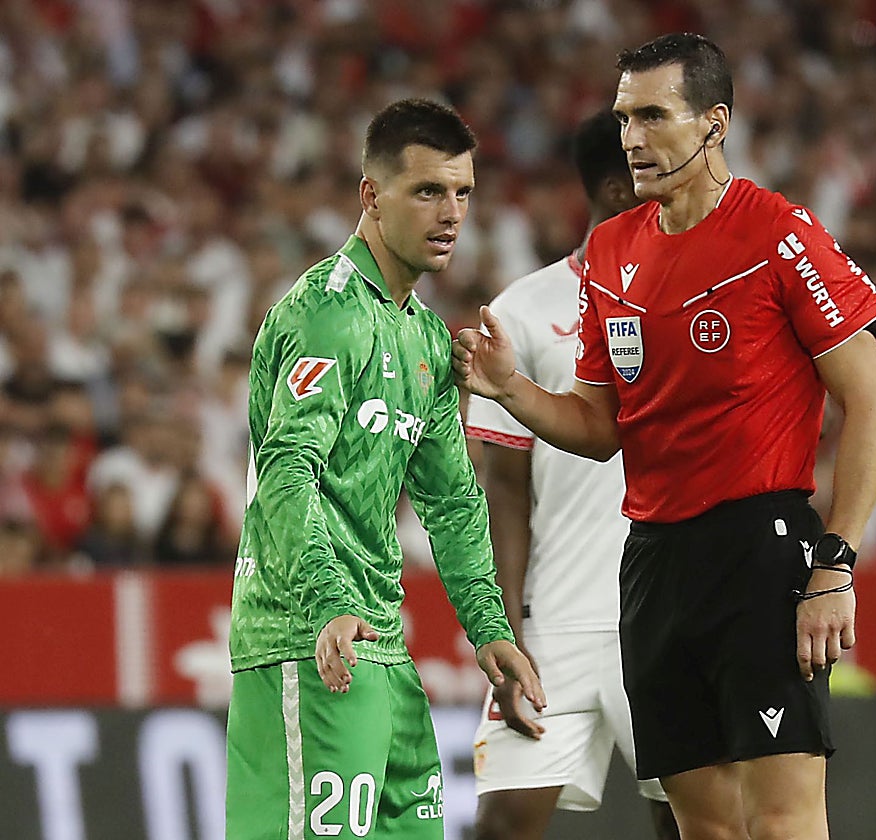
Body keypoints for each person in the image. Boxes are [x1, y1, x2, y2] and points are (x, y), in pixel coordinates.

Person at [454, 34, 876, 840]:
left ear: (714, 123)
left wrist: (836, 564)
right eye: (625, 117)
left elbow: (874, 404)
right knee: (707, 830)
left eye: (654, 115)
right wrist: (509, 387)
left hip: (760, 550)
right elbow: (596, 428)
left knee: (781, 823)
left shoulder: (778, 232)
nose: (632, 137)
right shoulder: (616, 251)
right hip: (653, 561)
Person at [226, 98, 544, 840]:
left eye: (463, 192)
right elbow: (286, 468)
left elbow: (454, 501)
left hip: (385, 652)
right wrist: (330, 600)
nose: (452, 213)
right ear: (372, 196)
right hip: (308, 639)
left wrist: (489, 627)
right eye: (428, 190)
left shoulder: (427, 338)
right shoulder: (325, 313)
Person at [467, 110, 678, 840]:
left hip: (664, 612)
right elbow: (504, 485)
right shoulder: (523, 309)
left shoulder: (690, 298)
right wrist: (505, 620)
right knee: (502, 823)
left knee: (688, 822)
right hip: (555, 619)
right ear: (621, 189)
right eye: (660, 172)